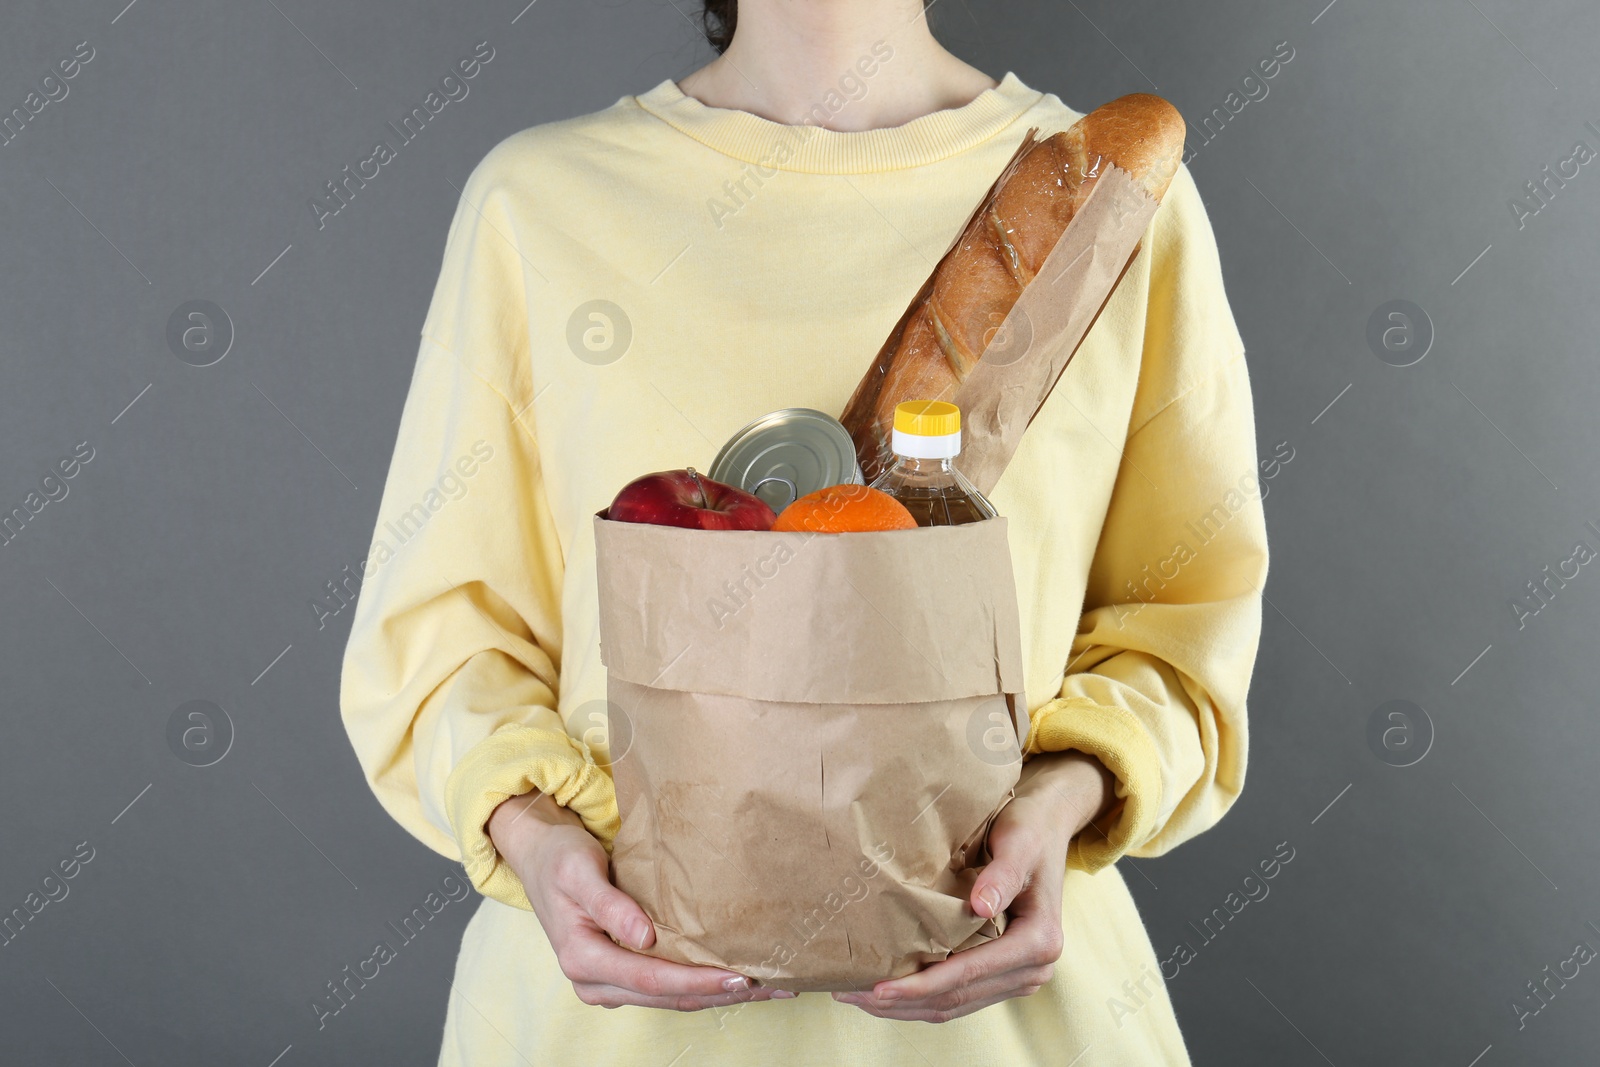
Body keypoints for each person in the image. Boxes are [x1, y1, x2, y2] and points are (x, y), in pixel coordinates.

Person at [339, 0, 1269, 1062]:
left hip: (1003, 1020)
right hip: (609, 1025)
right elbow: (438, 645)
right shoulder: (536, 206)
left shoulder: (1116, 212)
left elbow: (1183, 630)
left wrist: (1065, 798)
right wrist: (533, 834)